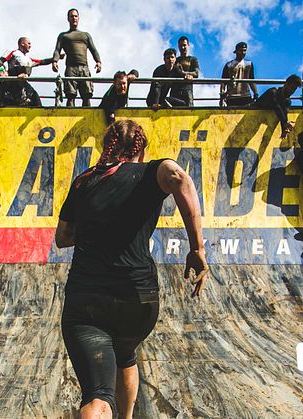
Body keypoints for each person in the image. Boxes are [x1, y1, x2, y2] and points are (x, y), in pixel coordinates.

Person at [55, 120, 209, 419]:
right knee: (125, 355)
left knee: (97, 396)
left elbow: (62, 238)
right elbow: (179, 178)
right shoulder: (153, 171)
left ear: (106, 146)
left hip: (88, 302)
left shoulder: (83, 181)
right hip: (139, 302)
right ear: (142, 148)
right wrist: (197, 249)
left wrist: (95, 226)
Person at [52, 8, 102, 107]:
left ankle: (87, 118)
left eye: (75, 16)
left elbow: (93, 49)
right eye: (72, 16)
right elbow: (57, 50)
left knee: (87, 95)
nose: (74, 18)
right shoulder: (63, 36)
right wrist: (55, 61)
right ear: (68, 19)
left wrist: (98, 61)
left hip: (84, 68)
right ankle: (70, 117)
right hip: (71, 68)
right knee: (70, 95)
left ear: (78, 18)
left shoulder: (85, 35)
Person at [0, 37, 52, 107]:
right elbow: (0, 62)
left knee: (35, 97)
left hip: (21, 81)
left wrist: (55, 58)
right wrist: (1, 73)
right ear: (22, 43)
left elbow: (42, 61)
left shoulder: (28, 60)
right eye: (28, 43)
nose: (30, 45)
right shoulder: (13, 52)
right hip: (11, 79)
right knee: (3, 94)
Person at [252, 74, 302, 138]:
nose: (292, 91)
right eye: (292, 87)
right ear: (286, 84)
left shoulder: (287, 101)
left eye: (294, 89)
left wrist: (284, 129)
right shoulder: (273, 92)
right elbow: (277, 107)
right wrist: (285, 123)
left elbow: (284, 112)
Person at [220, 42, 258, 107]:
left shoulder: (249, 64)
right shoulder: (229, 65)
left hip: (246, 96)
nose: (243, 52)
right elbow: (223, 82)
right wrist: (222, 97)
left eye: (244, 50)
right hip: (232, 97)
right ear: (236, 51)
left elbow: (251, 80)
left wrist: (255, 93)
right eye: (241, 50)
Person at [175, 36, 200, 106]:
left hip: (187, 91)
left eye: (184, 45)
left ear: (188, 45)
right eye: (180, 46)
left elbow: (196, 73)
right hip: (175, 91)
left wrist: (183, 73)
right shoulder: (175, 60)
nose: (182, 48)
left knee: (189, 112)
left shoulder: (193, 59)